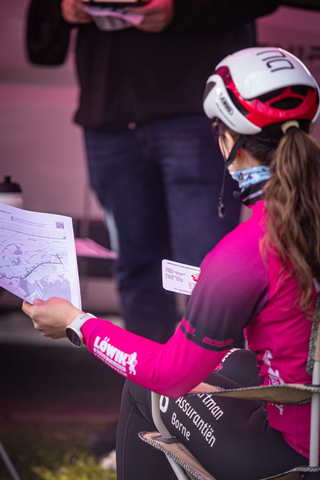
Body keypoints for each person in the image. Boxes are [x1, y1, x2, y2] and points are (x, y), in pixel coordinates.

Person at [23, 45, 320, 480]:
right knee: (230, 363)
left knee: (145, 389)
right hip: (303, 407)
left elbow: (170, 376)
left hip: (296, 452)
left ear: (228, 138)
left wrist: (76, 323)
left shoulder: (245, 253)